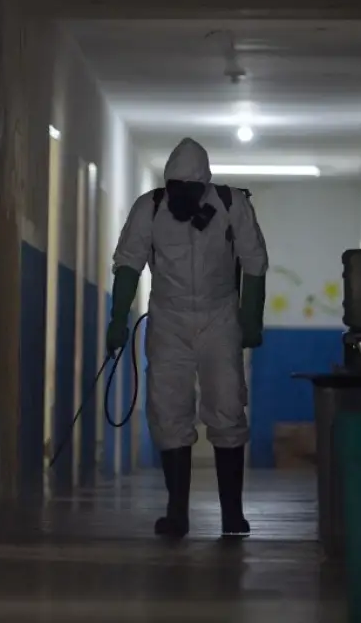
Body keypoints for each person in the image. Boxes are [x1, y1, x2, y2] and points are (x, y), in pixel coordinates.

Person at [107, 137, 268, 538]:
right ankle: (176, 512)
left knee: (228, 403)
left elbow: (254, 262)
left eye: (189, 190)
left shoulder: (233, 205)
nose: (181, 197)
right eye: (175, 189)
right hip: (169, 318)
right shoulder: (151, 207)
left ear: (205, 187)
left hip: (220, 316)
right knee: (167, 407)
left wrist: (251, 319)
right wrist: (117, 318)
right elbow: (127, 263)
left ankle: (233, 513)